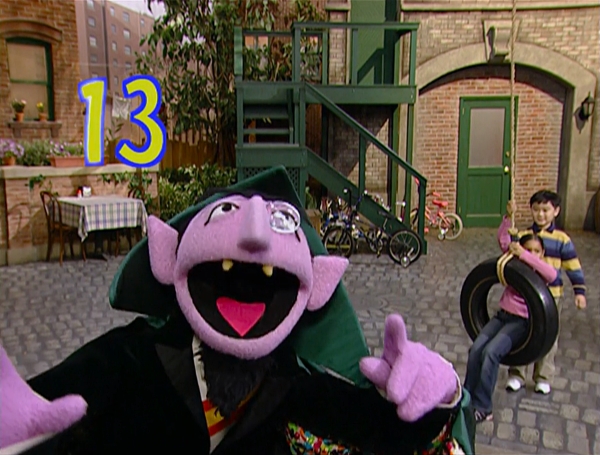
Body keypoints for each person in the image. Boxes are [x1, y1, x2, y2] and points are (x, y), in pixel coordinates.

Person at [498, 191, 587, 395]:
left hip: (552, 295)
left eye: (546, 210)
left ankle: (543, 377)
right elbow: (505, 243)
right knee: (523, 334)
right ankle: (517, 374)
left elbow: (573, 266)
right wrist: (508, 217)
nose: (541, 214)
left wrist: (579, 291)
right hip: (527, 294)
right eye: (536, 210)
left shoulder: (562, 239)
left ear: (556, 211)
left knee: (548, 336)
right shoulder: (524, 235)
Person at [464, 233, 557, 423]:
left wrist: (524, 254)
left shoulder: (539, 272)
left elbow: (552, 275)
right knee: (476, 349)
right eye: (528, 249)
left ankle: (483, 406)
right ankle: (466, 397)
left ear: (542, 253)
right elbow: (504, 239)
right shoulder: (514, 265)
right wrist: (507, 220)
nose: (532, 253)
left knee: (491, 352)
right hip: (502, 316)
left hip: (520, 322)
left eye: (537, 251)